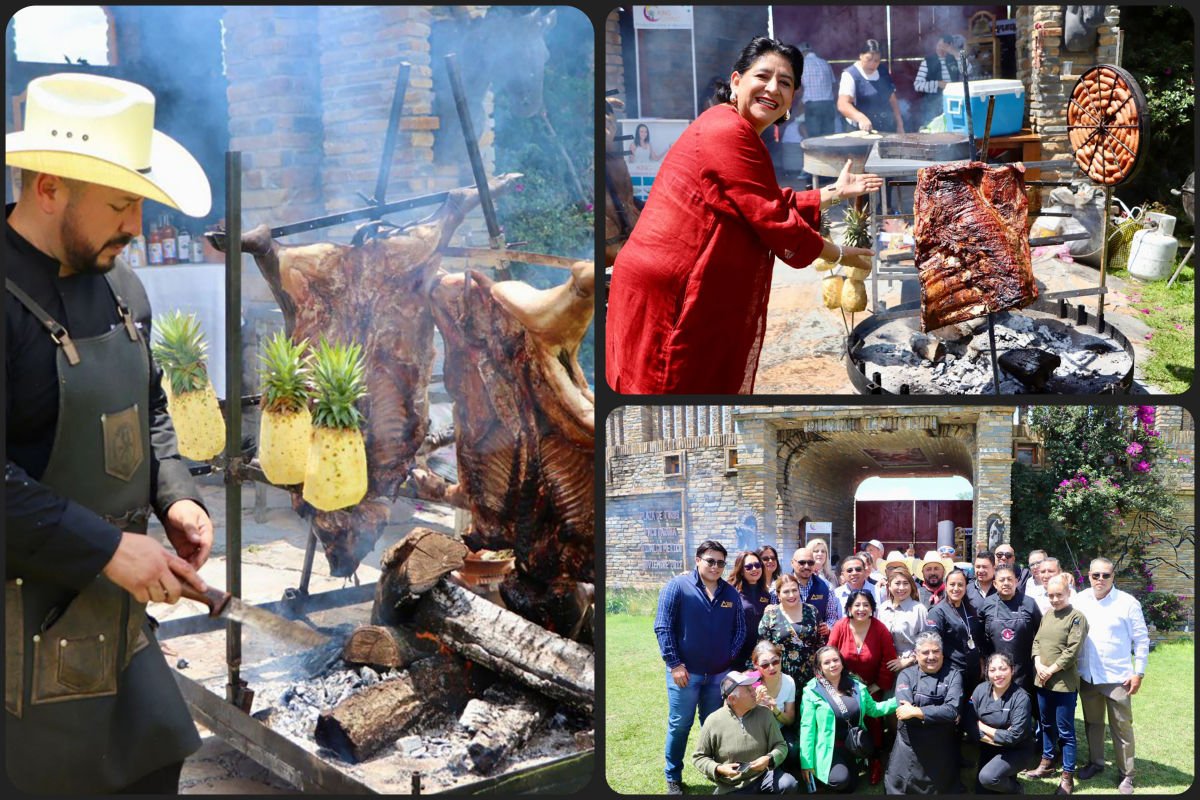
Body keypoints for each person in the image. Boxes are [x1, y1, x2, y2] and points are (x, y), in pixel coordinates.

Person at [5, 72, 216, 795]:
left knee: (156, 765)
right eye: (121, 202)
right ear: (50, 187)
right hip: (15, 631)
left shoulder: (124, 287)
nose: (135, 224)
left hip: (115, 618)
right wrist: (106, 548)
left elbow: (148, 407)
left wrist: (176, 495)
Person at [606, 37, 882, 394]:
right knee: (670, 388)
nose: (772, 88)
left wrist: (832, 193)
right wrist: (839, 255)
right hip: (672, 295)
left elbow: (755, 201)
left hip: (677, 285)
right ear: (736, 81)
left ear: (793, 97)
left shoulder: (737, 129)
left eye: (785, 83)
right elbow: (771, 219)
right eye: (763, 76)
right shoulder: (727, 131)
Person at [654, 540, 747, 794]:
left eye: (720, 562)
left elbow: (739, 630)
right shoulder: (677, 587)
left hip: (718, 675)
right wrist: (675, 664)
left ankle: (717, 771)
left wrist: (727, 658)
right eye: (710, 561)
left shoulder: (729, 593)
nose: (715, 567)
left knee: (713, 725)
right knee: (680, 724)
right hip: (685, 674)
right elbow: (663, 627)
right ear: (698, 560)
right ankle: (673, 776)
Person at [1072, 558, 1149, 795]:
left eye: (1106, 575)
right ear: (1088, 576)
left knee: (1122, 728)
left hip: (1118, 677)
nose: (1101, 580)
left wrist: (1139, 672)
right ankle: (1096, 763)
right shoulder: (1080, 599)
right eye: (1096, 575)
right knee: (1093, 725)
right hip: (1088, 676)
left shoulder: (1128, 603)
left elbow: (1142, 639)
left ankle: (1127, 775)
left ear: (1113, 577)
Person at [799, 646, 898, 793]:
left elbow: (874, 709)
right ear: (819, 667)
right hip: (829, 749)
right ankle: (823, 775)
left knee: (851, 787)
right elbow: (807, 728)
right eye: (826, 662)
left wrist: (900, 700)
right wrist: (805, 763)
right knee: (839, 780)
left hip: (853, 747)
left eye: (835, 660)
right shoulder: (812, 691)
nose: (832, 665)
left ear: (842, 662)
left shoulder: (856, 685)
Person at [1023, 574, 1089, 794]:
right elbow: (1037, 641)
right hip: (1042, 682)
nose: (1054, 599)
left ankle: (1067, 776)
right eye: (1050, 595)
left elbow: (1072, 651)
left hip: (1063, 684)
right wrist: (1038, 663)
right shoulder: (1048, 614)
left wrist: (1050, 670)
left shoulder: (1076, 617)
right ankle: (1047, 762)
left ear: (1068, 593)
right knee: (1046, 725)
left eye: (1058, 594)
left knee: (1065, 731)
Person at [826, 589, 896, 784]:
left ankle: (875, 760)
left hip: (871, 687)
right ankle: (847, 758)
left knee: (873, 722)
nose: (861, 609)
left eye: (866, 605)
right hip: (841, 686)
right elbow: (829, 655)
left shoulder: (880, 629)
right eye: (857, 605)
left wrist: (877, 685)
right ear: (849, 608)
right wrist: (837, 683)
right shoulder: (840, 626)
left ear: (872, 608)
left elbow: (888, 660)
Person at [884, 631, 965, 794]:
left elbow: (951, 710)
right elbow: (903, 712)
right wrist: (937, 713)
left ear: (942, 654)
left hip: (941, 747)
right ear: (916, 654)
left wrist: (917, 710)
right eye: (925, 652)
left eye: (936, 651)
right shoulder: (906, 675)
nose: (931, 656)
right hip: (909, 746)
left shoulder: (954, 675)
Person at [692, 670, 797, 794]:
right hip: (732, 785)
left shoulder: (764, 713)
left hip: (764, 777)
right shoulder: (713, 721)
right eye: (748, 690)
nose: (754, 692)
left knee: (788, 784)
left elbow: (781, 745)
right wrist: (719, 768)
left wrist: (769, 759)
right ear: (732, 699)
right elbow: (699, 757)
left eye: (752, 687)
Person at [965, 653, 1040, 794]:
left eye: (1002, 669)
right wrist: (991, 739)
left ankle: (1017, 790)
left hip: (1016, 750)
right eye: (992, 670)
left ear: (1012, 670)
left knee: (988, 778)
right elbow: (968, 721)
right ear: (987, 672)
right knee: (982, 790)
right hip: (989, 747)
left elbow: (1014, 736)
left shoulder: (1021, 698)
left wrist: (982, 726)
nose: (997, 674)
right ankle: (1004, 776)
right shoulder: (980, 689)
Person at [979, 564, 1043, 692]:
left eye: (1010, 579)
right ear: (995, 584)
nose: (1006, 583)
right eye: (1002, 580)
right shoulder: (987, 604)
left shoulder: (1029, 603)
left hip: (1024, 670)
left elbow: (1041, 635)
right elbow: (979, 637)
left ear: (1016, 581)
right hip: (996, 670)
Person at [926, 568, 986, 700]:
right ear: (946, 586)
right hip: (951, 674)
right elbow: (932, 644)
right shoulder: (938, 612)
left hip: (973, 671)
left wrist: (981, 661)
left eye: (960, 584)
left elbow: (977, 638)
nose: (956, 588)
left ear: (966, 587)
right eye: (952, 584)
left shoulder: (970, 609)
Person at [758, 573, 823, 691]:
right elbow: (762, 648)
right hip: (781, 675)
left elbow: (820, 642)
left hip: (810, 676)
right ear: (778, 595)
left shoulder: (812, 611)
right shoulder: (771, 615)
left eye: (794, 590)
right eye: (786, 592)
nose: (791, 595)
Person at [837, 39, 904, 134]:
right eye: (868, 59)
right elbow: (843, 104)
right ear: (860, 56)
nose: (872, 64)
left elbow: (892, 99)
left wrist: (900, 124)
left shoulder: (882, 72)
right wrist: (861, 118)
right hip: (859, 131)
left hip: (884, 127)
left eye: (876, 61)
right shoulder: (850, 75)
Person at [751, 641, 799, 767]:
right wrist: (753, 702)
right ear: (756, 665)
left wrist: (774, 709)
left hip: (778, 730)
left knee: (794, 752)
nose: (771, 668)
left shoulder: (788, 682)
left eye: (775, 662)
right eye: (765, 665)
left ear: (780, 659)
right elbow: (734, 714)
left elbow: (789, 720)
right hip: (754, 732)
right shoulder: (749, 683)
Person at [877, 566, 927, 675]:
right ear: (889, 586)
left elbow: (926, 642)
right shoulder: (882, 608)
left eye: (905, 583)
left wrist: (908, 660)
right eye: (897, 583)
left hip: (911, 668)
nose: (901, 587)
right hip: (886, 667)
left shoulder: (919, 609)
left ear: (911, 586)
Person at [731, 551, 773, 667]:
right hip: (737, 655)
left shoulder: (766, 594)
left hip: (760, 654)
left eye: (757, 565)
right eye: (748, 567)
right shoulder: (731, 593)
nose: (754, 569)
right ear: (741, 570)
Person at [912, 34, 962, 128]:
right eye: (939, 45)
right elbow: (917, 85)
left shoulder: (955, 59)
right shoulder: (927, 61)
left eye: (944, 46)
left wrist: (956, 54)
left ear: (950, 46)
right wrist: (938, 84)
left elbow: (969, 71)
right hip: (933, 106)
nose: (940, 48)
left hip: (953, 103)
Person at [790, 546, 840, 633]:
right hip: (789, 640)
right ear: (792, 563)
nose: (806, 566)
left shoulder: (826, 586)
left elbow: (832, 616)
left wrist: (828, 627)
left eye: (810, 563)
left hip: (817, 642)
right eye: (802, 562)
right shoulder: (780, 586)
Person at [796, 41, 837, 138]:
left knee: (814, 139)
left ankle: (816, 153)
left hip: (812, 106)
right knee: (829, 137)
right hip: (829, 105)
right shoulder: (825, 63)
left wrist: (799, 104)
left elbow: (799, 89)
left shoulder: (801, 65)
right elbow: (834, 85)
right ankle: (829, 153)